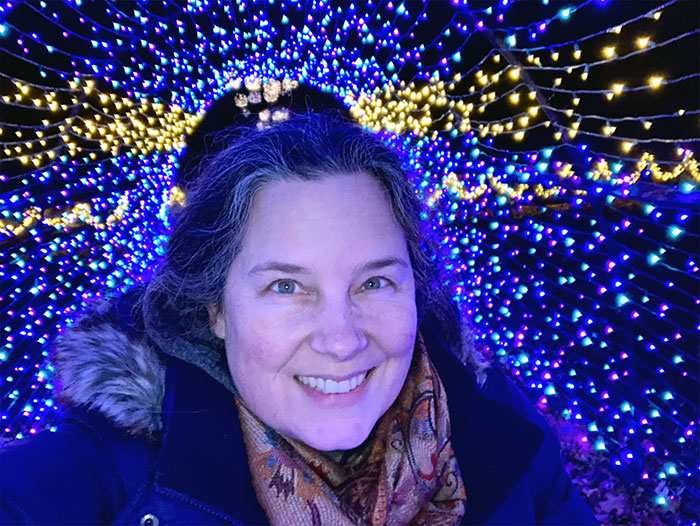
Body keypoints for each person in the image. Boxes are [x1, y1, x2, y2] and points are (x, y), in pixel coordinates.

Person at [1, 112, 599, 525]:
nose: (341, 340)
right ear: (216, 310)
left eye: (374, 281)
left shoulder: (494, 419)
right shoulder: (99, 481)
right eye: (287, 286)